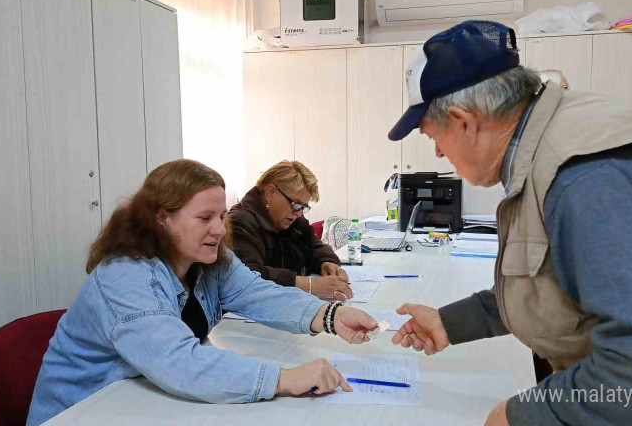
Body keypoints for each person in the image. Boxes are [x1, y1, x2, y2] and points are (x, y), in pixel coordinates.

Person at [386, 20, 632, 425]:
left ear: (464, 120)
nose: (437, 152)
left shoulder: (589, 173)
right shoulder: (550, 143)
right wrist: (449, 322)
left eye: (431, 135)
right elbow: (551, 281)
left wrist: (521, 416)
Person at [27, 160, 377, 425]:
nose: (218, 229)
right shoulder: (126, 276)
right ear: (162, 218)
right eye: (204, 217)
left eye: (221, 215)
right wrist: (285, 378)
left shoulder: (209, 260)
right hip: (84, 412)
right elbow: (179, 363)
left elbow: (258, 293)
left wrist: (330, 316)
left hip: (140, 401)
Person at [227, 160, 353, 300]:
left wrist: (327, 262)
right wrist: (308, 284)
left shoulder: (292, 217)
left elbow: (315, 246)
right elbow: (248, 274)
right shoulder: (239, 221)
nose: (299, 213)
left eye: (303, 207)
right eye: (296, 204)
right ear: (270, 192)